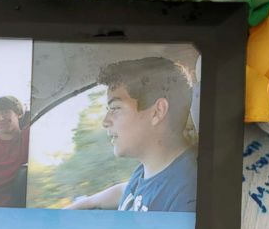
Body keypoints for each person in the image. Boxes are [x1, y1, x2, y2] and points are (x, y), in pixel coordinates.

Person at [66, 58, 196, 212]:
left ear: (157, 112)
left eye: (115, 108)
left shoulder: (186, 194)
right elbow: (124, 190)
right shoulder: (147, 172)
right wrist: (87, 203)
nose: (105, 121)